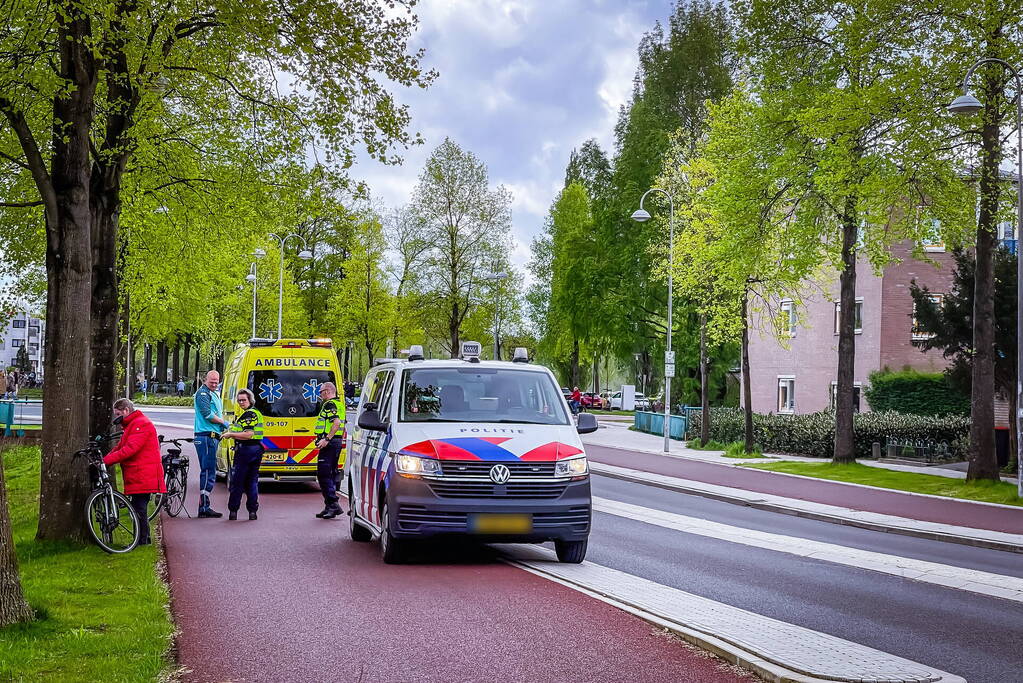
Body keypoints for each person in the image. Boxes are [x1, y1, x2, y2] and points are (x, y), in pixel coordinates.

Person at [103, 399, 166, 545]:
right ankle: (143, 538)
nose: (117, 419)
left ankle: (142, 540)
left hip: (143, 474)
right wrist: (105, 459)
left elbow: (129, 449)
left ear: (126, 410)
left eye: (118, 414)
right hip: (140, 473)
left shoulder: (140, 424)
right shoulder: (133, 425)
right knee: (138, 507)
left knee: (139, 508)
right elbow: (120, 447)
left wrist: (106, 461)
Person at [221, 388, 265, 520]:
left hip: (246, 450)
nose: (241, 402)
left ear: (250, 400)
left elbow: (248, 434)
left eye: (243, 400)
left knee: (238, 482)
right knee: (252, 482)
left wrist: (230, 434)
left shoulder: (249, 414)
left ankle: (233, 511)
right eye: (239, 400)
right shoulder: (253, 413)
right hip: (255, 450)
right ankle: (252, 511)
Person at [193, 370, 230, 517]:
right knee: (208, 472)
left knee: (209, 471)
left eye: (216, 381)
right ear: (205, 380)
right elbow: (207, 414)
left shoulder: (213, 393)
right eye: (211, 381)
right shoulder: (203, 394)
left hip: (211, 437)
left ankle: (205, 506)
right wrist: (224, 423)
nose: (214, 384)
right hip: (206, 438)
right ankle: (203, 507)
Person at [314, 381, 346, 519]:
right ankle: (329, 506)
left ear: (327, 391)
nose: (320, 395)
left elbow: (336, 423)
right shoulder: (339, 404)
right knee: (331, 474)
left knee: (323, 474)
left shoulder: (330, 404)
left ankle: (333, 505)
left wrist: (326, 439)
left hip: (330, 443)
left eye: (321, 392)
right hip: (336, 442)